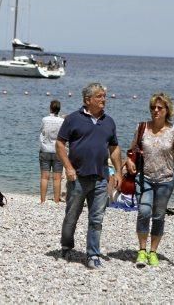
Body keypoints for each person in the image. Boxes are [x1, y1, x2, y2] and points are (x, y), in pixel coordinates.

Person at [56, 82, 122, 270]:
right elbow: (60, 145)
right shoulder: (73, 119)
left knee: (97, 219)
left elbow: (114, 147)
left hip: (101, 178)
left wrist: (118, 171)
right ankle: (66, 246)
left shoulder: (109, 121)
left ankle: (93, 254)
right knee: (71, 216)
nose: (104, 99)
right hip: (77, 178)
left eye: (104, 96)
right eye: (99, 96)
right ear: (88, 100)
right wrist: (68, 168)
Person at [126, 92, 174, 268]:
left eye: (160, 108)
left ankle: (153, 252)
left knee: (159, 217)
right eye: (153, 107)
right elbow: (131, 151)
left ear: (167, 110)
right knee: (144, 212)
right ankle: (142, 251)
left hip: (165, 180)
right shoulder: (142, 127)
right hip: (144, 178)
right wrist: (129, 162)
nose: (156, 110)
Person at [39, 99, 65, 203]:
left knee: (44, 177)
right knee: (57, 178)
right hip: (57, 150)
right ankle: (56, 201)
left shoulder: (45, 119)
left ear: (50, 108)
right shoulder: (62, 121)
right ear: (59, 109)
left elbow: (41, 131)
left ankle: (42, 200)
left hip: (45, 149)